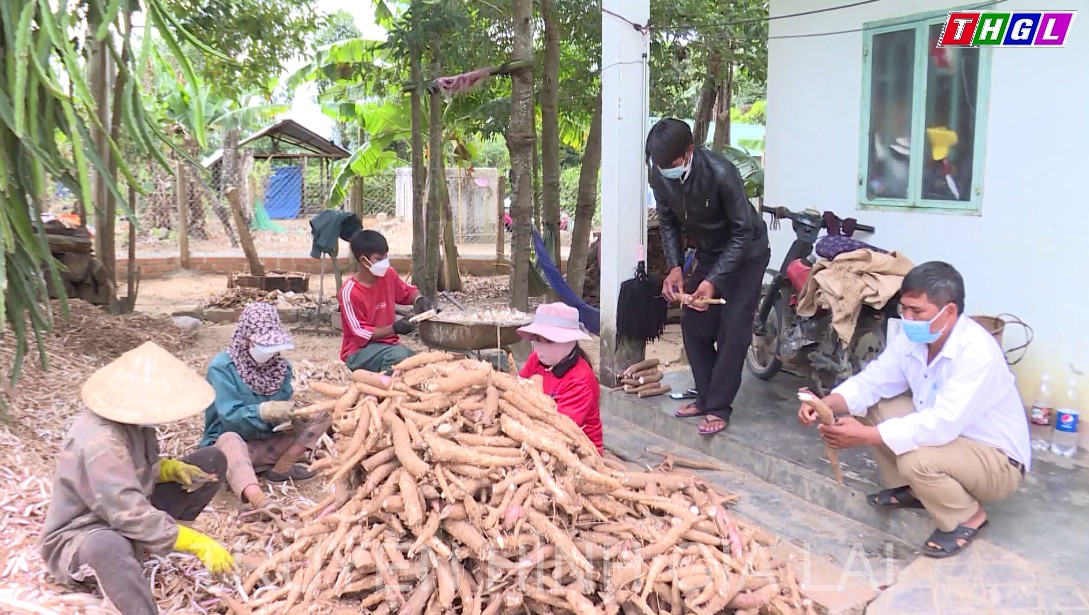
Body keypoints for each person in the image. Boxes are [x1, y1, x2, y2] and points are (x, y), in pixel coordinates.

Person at [798, 262, 1030, 558]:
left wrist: (866, 436)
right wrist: (827, 403)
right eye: (904, 309)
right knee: (869, 407)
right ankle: (916, 490)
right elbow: (873, 382)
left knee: (916, 460)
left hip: (998, 461)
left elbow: (941, 423)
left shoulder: (977, 352)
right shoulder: (912, 340)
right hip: (951, 438)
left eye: (917, 311)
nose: (907, 318)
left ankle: (966, 516)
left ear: (949, 311)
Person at [40, 342, 235, 615]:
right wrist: (195, 542)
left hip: (126, 511)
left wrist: (166, 469)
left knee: (211, 461)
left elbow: (133, 471)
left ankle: (154, 543)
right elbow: (127, 512)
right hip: (85, 531)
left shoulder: (136, 424)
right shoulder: (101, 441)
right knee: (108, 546)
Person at [646, 118, 771, 435]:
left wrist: (712, 281)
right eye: (659, 164)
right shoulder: (658, 174)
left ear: (689, 151)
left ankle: (718, 406)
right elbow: (668, 222)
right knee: (693, 321)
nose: (664, 169)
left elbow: (743, 232)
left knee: (733, 329)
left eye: (670, 163)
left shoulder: (721, 173)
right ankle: (705, 396)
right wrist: (675, 266)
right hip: (710, 252)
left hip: (747, 252)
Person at [200, 303, 331, 516]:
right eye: (264, 345)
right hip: (231, 447)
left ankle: (282, 468)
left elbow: (284, 408)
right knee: (230, 440)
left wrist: (291, 420)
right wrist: (262, 412)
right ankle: (259, 501)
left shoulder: (281, 368)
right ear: (247, 339)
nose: (270, 353)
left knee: (320, 413)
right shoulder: (222, 368)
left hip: (268, 443)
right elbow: (229, 417)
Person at [338, 229, 433, 374]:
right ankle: (382, 383)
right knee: (400, 357)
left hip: (389, 346)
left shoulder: (388, 275)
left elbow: (407, 291)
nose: (385, 262)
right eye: (379, 258)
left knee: (416, 362)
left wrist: (419, 299)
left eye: (385, 257)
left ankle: (387, 380)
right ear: (364, 261)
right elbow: (360, 333)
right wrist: (394, 328)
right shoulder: (349, 292)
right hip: (358, 352)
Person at [517, 302, 604, 454]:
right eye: (537, 339)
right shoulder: (536, 359)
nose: (541, 347)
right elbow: (516, 390)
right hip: (534, 434)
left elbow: (558, 428)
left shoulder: (581, 380)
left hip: (579, 451)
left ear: (569, 342)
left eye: (549, 340)